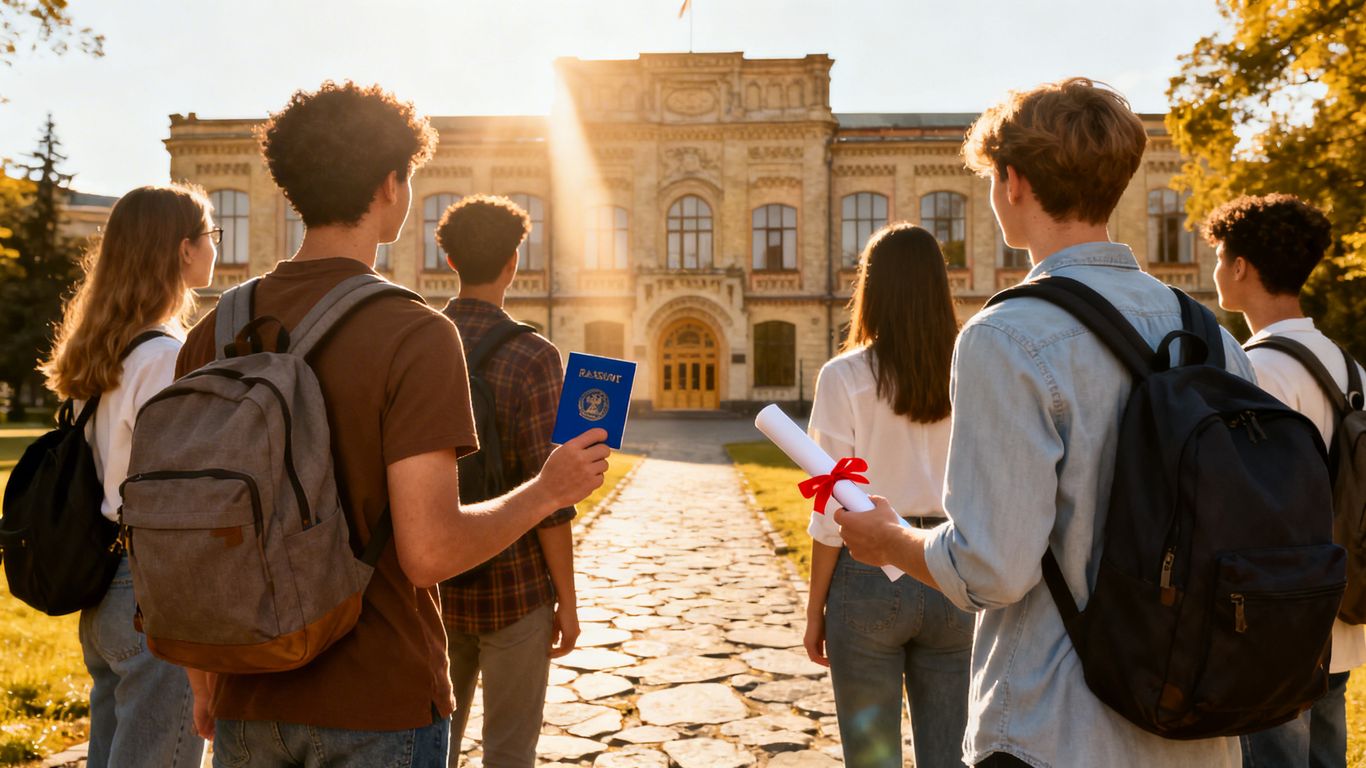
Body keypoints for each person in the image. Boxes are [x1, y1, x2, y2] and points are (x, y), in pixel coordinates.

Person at [174, 81, 609, 767]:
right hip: (377, 698)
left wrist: (205, 680)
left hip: (247, 692)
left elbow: (192, 525)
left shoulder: (214, 332)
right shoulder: (413, 333)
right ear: (390, 186)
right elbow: (430, 552)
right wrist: (547, 492)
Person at [833, 77, 1251, 767]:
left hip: (1056, 724)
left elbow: (990, 568)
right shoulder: (1209, 334)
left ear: (1012, 182)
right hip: (1195, 721)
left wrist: (891, 541)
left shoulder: (1009, 335)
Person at [38, 183, 217, 768]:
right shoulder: (167, 356)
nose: (215, 246)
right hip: (150, 592)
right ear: (183, 251)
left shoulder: (106, 348)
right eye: (210, 235)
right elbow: (175, 500)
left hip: (104, 591)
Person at [802, 222, 972, 768]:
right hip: (951, 563)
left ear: (870, 288)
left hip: (867, 571)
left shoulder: (844, 375)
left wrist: (814, 610)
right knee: (950, 755)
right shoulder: (968, 370)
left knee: (871, 758)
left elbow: (831, 507)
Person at [1205, 193, 1363, 768]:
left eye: (1220, 258)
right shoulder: (1348, 367)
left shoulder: (1253, 370)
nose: (1216, 270)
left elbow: (1242, 501)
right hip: (1339, 603)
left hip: (1274, 615)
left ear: (1241, 267)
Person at [434, 195, 579, 767]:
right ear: (514, 263)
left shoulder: (417, 344)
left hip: (432, 581)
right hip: (515, 588)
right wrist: (566, 601)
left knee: (429, 746)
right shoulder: (534, 355)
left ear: (449, 262)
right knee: (510, 753)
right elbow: (553, 497)